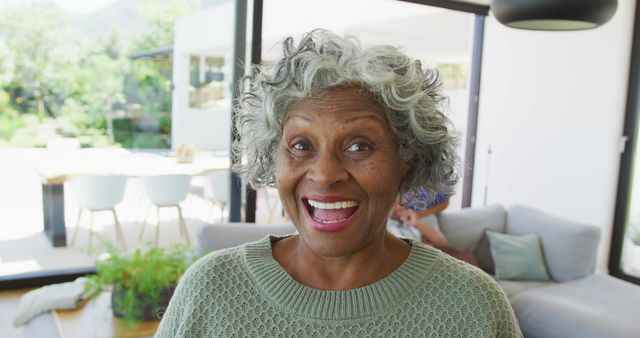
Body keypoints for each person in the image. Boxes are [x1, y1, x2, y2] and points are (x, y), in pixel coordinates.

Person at [156, 29, 521, 337]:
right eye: (300, 146)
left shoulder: (472, 306)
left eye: (359, 146)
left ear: (406, 161)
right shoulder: (211, 289)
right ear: (273, 156)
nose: (325, 174)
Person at [389, 193, 480, 267]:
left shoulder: (416, 217)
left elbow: (441, 242)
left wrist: (416, 222)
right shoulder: (384, 224)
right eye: (394, 204)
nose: (399, 207)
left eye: (403, 203)